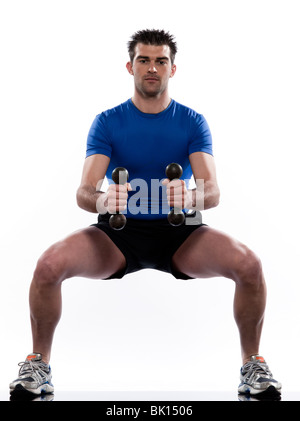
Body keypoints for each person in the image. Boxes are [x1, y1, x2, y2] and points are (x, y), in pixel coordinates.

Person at [10, 29, 281, 397]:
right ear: (130, 66)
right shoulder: (108, 122)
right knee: (47, 266)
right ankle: (37, 365)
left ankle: (253, 366)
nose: (152, 67)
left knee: (249, 265)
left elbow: (212, 191)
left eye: (160, 61)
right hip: (118, 233)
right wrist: (103, 201)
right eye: (144, 60)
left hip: (179, 231)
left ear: (172, 69)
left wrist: (189, 196)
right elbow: (84, 191)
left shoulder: (191, 121)